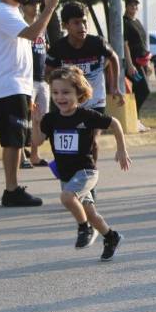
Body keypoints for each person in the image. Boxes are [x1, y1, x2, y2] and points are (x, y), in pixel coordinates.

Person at [31, 67, 130, 261]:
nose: (60, 97)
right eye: (56, 93)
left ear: (79, 93)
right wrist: (36, 123)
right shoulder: (50, 119)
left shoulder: (86, 115)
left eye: (66, 92)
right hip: (67, 175)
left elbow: (115, 123)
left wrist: (121, 149)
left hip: (86, 172)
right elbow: (37, 141)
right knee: (90, 212)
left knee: (67, 197)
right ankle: (111, 236)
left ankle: (85, 229)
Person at [0, 0, 59, 207]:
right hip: (9, 85)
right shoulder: (2, 12)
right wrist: (49, 8)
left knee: (18, 138)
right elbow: (32, 34)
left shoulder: (14, 11)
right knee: (12, 140)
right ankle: (11, 190)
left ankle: (14, 188)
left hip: (19, 85)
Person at [46, 1, 123, 167]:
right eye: (76, 23)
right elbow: (48, 72)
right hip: (70, 102)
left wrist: (114, 86)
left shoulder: (97, 43)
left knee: (92, 141)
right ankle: (70, 172)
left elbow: (114, 58)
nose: (82, 26)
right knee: (75, 142)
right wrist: (57, 91)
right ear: (66, 25)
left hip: (95, 100)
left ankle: (90, 177)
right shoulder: (58, 48)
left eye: (84, 21)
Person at [22, 0, 50, 168]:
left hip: (42, 79)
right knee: (26, 119)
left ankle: (34, 155)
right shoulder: (22, 26)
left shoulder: (42, 25)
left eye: (37, 3)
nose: (36, 6)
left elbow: (46, 47)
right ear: (24, 6)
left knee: (41, 118)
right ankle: (22, 158)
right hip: (27, 79)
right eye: (32, 3)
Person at [123, 0, 151, 132]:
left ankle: (135, 120)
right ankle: (135, 119)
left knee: (138, 90)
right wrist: (129, 64)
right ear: (126, 6)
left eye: (135, 6)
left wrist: (149, 63)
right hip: (133, 64)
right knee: (143, 90)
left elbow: (143, 42)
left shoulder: (137, 21)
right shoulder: (125, 23)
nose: (134, 8)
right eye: (131, 5)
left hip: (142, 62)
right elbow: (125, 45)